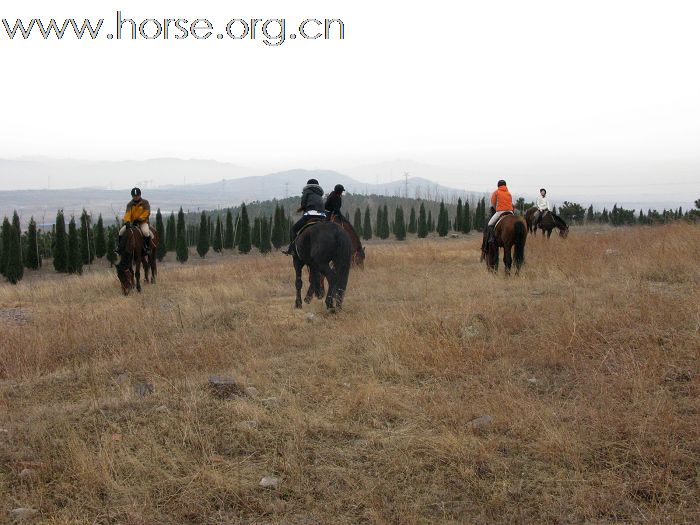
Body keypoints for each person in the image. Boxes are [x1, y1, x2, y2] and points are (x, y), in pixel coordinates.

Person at [283, 179, 326, 255]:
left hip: (310, 215)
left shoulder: (307, 191)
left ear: (308, 185)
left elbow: (303, 204)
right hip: (322, 216)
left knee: (293, 230)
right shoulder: (319, 194)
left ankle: (293, 249)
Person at [118, 187, 152, 256]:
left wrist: (139, 219)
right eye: (134, 196)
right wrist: (127, 221)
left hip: (143, 222)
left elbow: (147, 212)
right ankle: (120, 248)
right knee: (121, 232)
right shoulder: (129, 204)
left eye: (137, 196)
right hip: (132, 223)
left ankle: (147, 248)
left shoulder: (145, 202)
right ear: (132, 196)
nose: (136, 197)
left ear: (140, 195)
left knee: (145, 232)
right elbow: (128, 213)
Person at [483, 179, 515, 250]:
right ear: (505, 185)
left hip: (500, 211)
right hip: (510, 211)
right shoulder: (509, 193)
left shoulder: (496, 192)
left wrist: (496, 208)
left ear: (498, 185)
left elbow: (493, 202)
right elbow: (511, 203)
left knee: (490, 224)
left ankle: (491, 238)